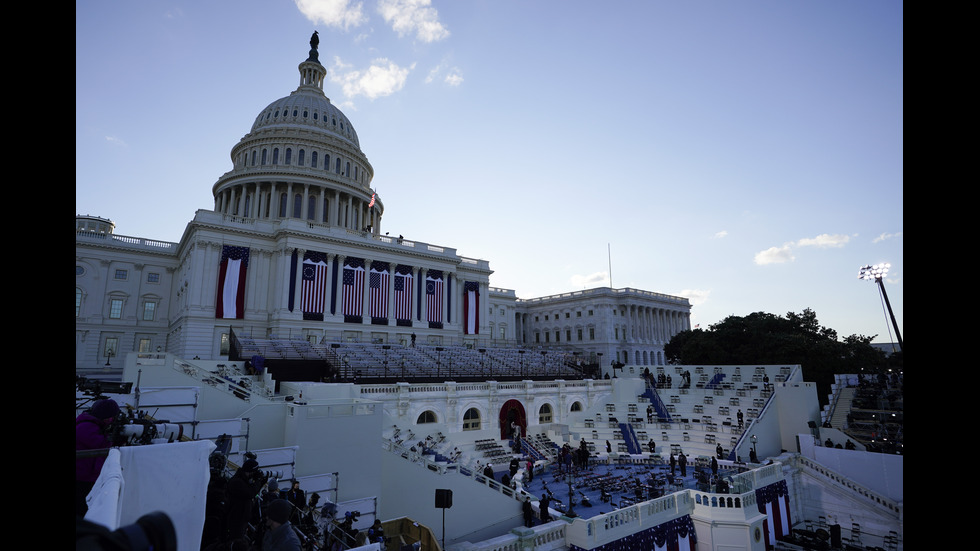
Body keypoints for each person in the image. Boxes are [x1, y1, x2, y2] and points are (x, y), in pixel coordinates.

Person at [76, 398, 121, 517]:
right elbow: (101, 444)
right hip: (82, 476)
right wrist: (113, 437)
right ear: (105, 416)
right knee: (82, 507)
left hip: (86, 475)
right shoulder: (86, 427)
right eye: (111, 417)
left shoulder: (91, 425)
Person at [225, 459, 266, 540]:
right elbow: (250, 493)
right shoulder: (237, 482)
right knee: (236, 541)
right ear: (250, 471)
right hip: (236, 520)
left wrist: (261, 482)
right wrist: (258, 481)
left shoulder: (243, 480)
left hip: (241, 518)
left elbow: (252, 492)